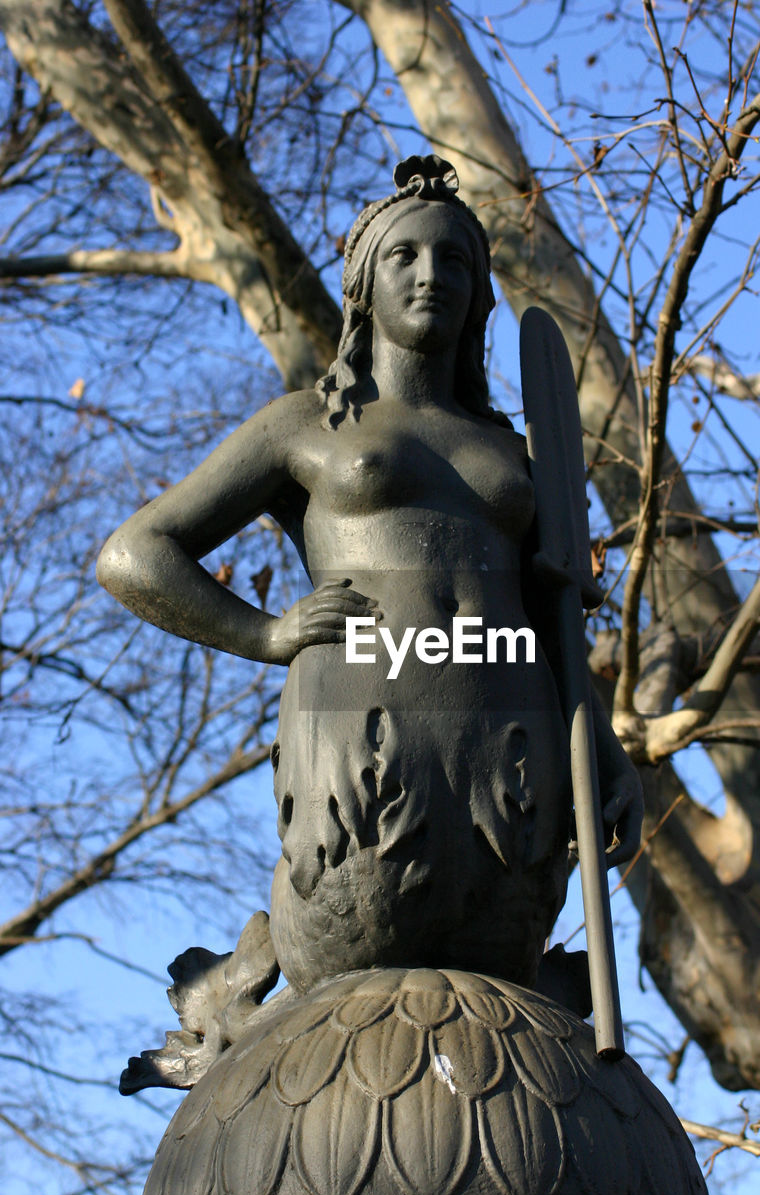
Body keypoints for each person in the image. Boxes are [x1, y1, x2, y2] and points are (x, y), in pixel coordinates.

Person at [97, 155, 641, 996]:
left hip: (508, 754)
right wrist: (264, 632)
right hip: (366, 746)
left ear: (480, 292)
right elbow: (137, 553)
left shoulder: (516, 455)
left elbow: (554, 623)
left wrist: (606, 760)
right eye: (406, 256)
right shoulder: (304, 424)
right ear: (364, 285)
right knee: (362, 982)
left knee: (502, 1002)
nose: (432, 276)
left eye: (454, 260)